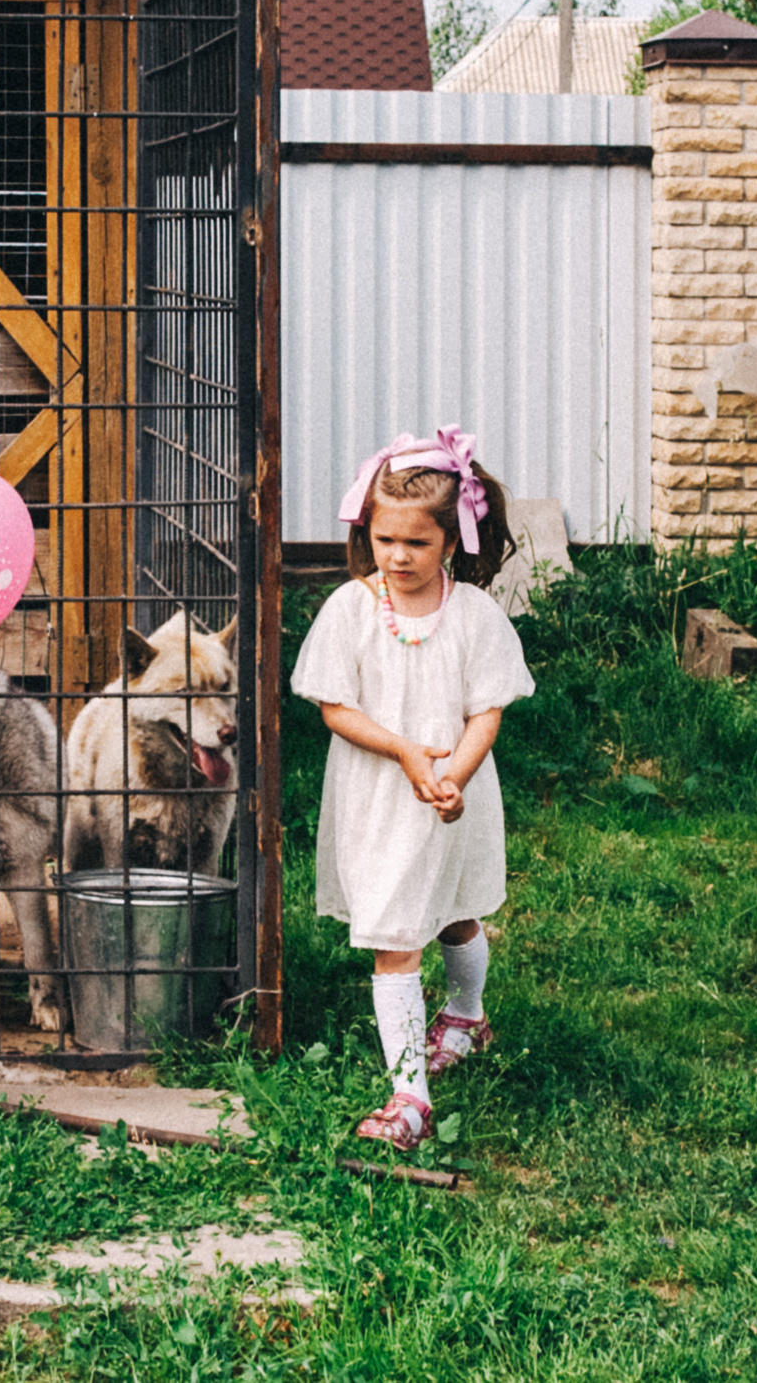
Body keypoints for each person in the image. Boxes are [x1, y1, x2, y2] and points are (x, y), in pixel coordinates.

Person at [288, 426, 533, 1151]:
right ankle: (411, 1095)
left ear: (451, 542)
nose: (397, 556)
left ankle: (465, 1012)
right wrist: (401, 749)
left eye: (416, 544)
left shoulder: (475, 618)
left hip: (451, 796)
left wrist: (452, 773)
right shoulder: (351, 611)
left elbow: (486, 709)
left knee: (454, 914)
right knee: (395, 936)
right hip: (380, 797)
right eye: (384, 539)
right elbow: (335, 706)